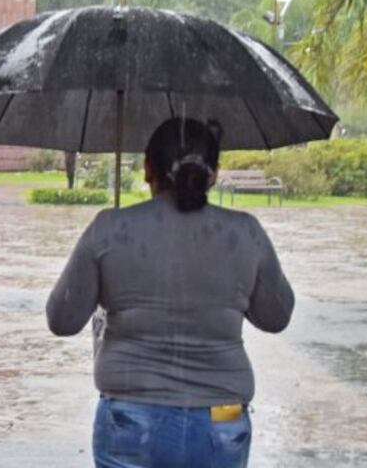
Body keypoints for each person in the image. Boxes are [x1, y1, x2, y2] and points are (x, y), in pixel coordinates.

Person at [46, 118, 294, 468]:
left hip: (131, 417)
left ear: (148, 169)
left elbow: (61, 319)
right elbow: (277, 317)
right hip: (222, 419)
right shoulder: (246, 233)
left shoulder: (110, 230)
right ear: (213, 174)